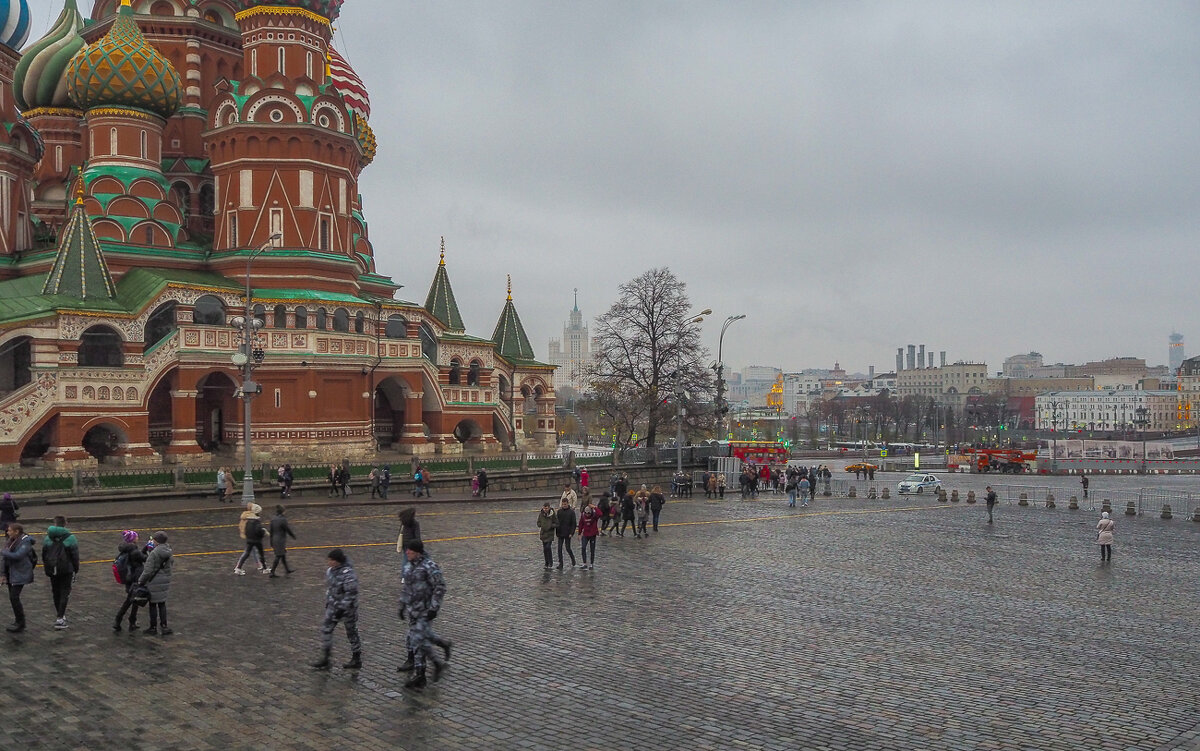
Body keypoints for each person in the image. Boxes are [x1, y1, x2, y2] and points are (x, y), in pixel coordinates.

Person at [398, 540, 448, 688]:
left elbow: (440, 586)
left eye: (410, 551)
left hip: (425, 611)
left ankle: (425, 671)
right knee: (417, 641)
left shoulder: (429, 566)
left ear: (418, 552)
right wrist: (402, 605)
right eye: (407, 551)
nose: (407, 553)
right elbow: (406, 588)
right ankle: (424, 671)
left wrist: (434, 607)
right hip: (413, 610)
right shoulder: (408, 567)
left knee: (418, 639)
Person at [311, 548, 361, 670]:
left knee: (351, 632)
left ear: (338, 561)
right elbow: (330, 589)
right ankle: (326, 658)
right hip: (333, 607)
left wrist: (342, 608)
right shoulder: (330, 571)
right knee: (326, 629)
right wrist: (329, 602)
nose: (329, 562)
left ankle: (356, 658)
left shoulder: (348, 574)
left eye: (331, 560)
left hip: (347, 610)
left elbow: (351, 593)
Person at [42, 516, 80, 630]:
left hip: (52, 568)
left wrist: (47, 567)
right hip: (66, 569)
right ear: (65, 523)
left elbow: (44, 555)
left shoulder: (47, 538)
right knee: (65, 591)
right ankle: (60, 618)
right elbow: (75, 556)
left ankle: (60, 614)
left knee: (55, 591)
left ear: (55, 523)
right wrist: (75, 569)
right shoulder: (71, 538)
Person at [1, 522, 35, 633]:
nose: (8, 532)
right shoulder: (10, 541)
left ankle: (21, 622)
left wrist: (3, 552)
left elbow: (18, 555)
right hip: (11, 572)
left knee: (14, 597)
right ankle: (18, 620)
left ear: (17, 531)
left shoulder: (25, 542)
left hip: (20, 573)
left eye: (10, 530)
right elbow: (3, 560)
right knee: (12, 597)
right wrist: (2, 574)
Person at [138, 531, 173, 635]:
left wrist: (141, 581)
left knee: (153, 604)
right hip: (165, 580)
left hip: (153, 581)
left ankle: (153, 627)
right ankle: (164, 626)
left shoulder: (154, 553)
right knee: (162, 604)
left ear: (156, 541)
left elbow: (148, 570)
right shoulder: (169, 551)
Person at [113, 530, 147, 632]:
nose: (138, 537)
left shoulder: (127, 549)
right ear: (133, 539)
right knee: (132, 600)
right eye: (136, 536)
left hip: (128, 578)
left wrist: (144, 548)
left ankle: (131, 621)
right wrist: (149, 548)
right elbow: (145, 558)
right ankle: (120, 619)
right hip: (135, 578)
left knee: (133, 599)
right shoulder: (134, 551)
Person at [234, 502, 269, 575]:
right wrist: (264, 533)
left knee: (247, 553)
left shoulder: (248, 520)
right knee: (260, 554)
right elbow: (258, 531)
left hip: (249, 539)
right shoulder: (257, 521)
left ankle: (238, 568)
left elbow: (246, 529)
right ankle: (264, 568)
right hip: (256, 540)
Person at [269, 505, 297, 577]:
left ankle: (287, 569)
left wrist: (271, 541)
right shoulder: (283, 520)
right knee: (278, 556)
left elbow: (271, 531)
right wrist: (293, 536)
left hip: (274, 539)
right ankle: (272, 572)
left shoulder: (273, 519)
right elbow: (287, 529)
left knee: (282, 555)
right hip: (280, 540)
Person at [577, 498, 601, 569]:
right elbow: (580, 524)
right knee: (583, 547)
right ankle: (584, 563)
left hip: (593, 534)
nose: (587, 515)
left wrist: (594, 507)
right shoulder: (583, 516)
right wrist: (579, 533)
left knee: (592, 549)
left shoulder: (594, 516)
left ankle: (591, 563)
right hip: (585, 534)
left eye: (589, 513)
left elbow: (600, 514)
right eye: (586, 513)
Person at [555, 497, 577, 568]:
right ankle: (560, 563)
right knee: (559, 549)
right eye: (563, 504)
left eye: (565, 504)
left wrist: (571, 533)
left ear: (568, 503)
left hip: (568, 533)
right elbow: (557, 522)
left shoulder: (571, 512)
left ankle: (573, 559)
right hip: (560, 532)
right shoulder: (559, 512)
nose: (564, 505)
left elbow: (573, 523)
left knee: (568, 548)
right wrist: (557, 532)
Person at [537, 502, 557, 568]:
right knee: (545, 549)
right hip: (543, 533)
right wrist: (542, 525)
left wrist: (551, 526)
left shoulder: (552, 514)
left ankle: (550, 562)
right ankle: (546, 562)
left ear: (549, 508)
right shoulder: (541, 514)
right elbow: (538, 523)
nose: (545, 509)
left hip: (550, 534)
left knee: (548, 547)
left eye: (546, 508)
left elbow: (557, 523)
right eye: (544, 508)